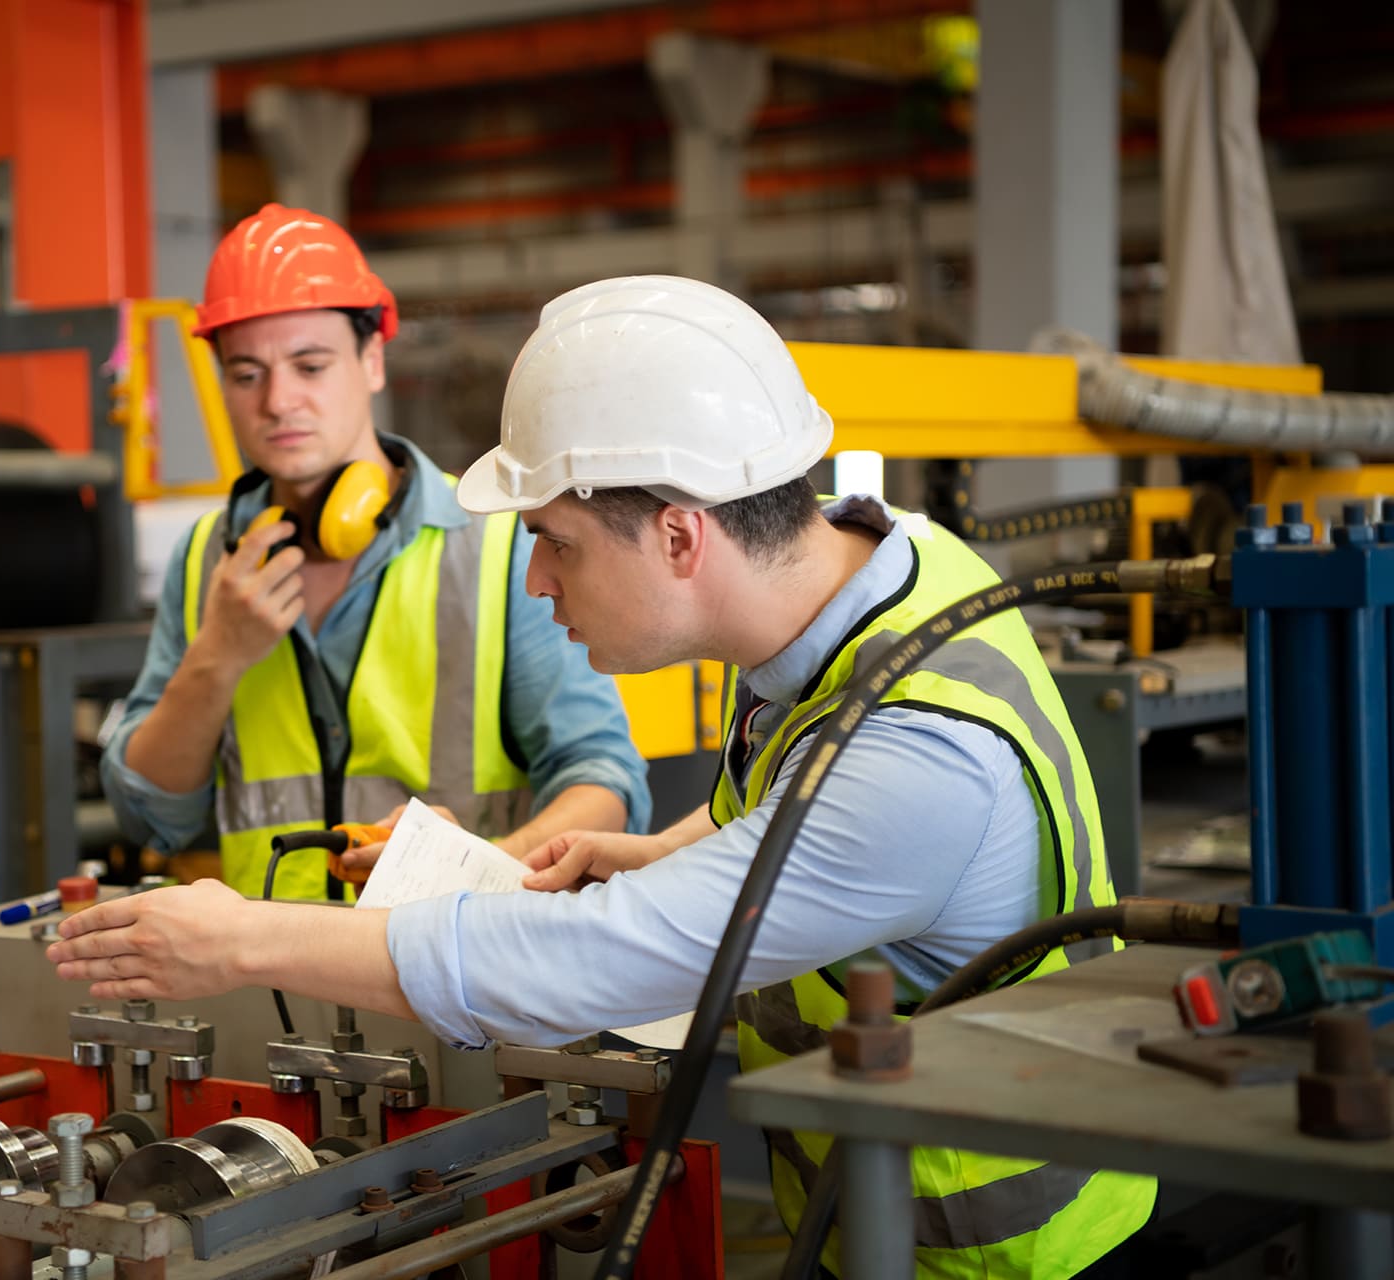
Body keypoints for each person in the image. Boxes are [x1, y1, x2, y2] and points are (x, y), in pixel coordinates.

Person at [62, 275, 1155, 1275]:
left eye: (558, 541)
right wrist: (651, 849)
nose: (535, 579)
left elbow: (599, 959)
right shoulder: (878, 568)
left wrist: (236, 937)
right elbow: (784, 803)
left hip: (994, 1250)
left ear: (681, 535)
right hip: (875, 1209)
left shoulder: (916, 763)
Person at [103, 204, 649, 901]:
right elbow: (152, 818)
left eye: (309, 365)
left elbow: (603, 780)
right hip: (274, 985)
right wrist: (218, 656)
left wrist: (476, 873)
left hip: (457, 978)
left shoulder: (495, 543)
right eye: (246, 374)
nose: (278, 400)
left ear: (371, 359)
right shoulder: (205, 561)